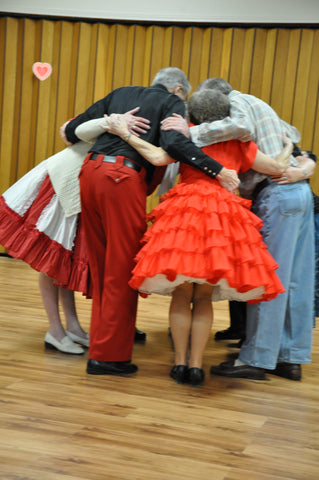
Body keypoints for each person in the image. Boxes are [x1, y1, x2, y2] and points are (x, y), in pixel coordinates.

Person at [104, 88, 292, 386]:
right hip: (223, 217)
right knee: (203, 296)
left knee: (182, 293)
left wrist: (124, 134)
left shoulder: (187, 133)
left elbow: (156, 156)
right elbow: (278, 168)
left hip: (185, 214)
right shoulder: (240, 142)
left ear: (192, 114)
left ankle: (178, 363)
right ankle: (195, 366)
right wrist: (288, 146)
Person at [63, 67, 242, 377]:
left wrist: (111, 122)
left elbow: (71, 131)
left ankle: (102, 346)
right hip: (121, 179)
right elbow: (173, 146)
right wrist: (218, 170)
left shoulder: (120, 92)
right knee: (121, 270)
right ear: (177, 89)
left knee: (103, 267)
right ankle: (109, 356)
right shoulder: (172, 103)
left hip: (90, 175)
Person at [162, 78, 316, 381]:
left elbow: (162, 160)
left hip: (203, 210)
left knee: (188, 292)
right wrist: (302, 162)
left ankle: (201, 362)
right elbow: (283, 151)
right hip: (264, 204)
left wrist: (182, 133)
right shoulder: (249, 125)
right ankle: (286, 358)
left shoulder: (207, 127)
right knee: (294, 280)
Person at [0, 112, 149, 354]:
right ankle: (55, 331)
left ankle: (73, 327)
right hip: (60, 184)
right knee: (50, 260)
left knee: (63, 261)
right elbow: (72, 130)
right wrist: (110, 121)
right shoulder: (115, 116)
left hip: (79, 189)